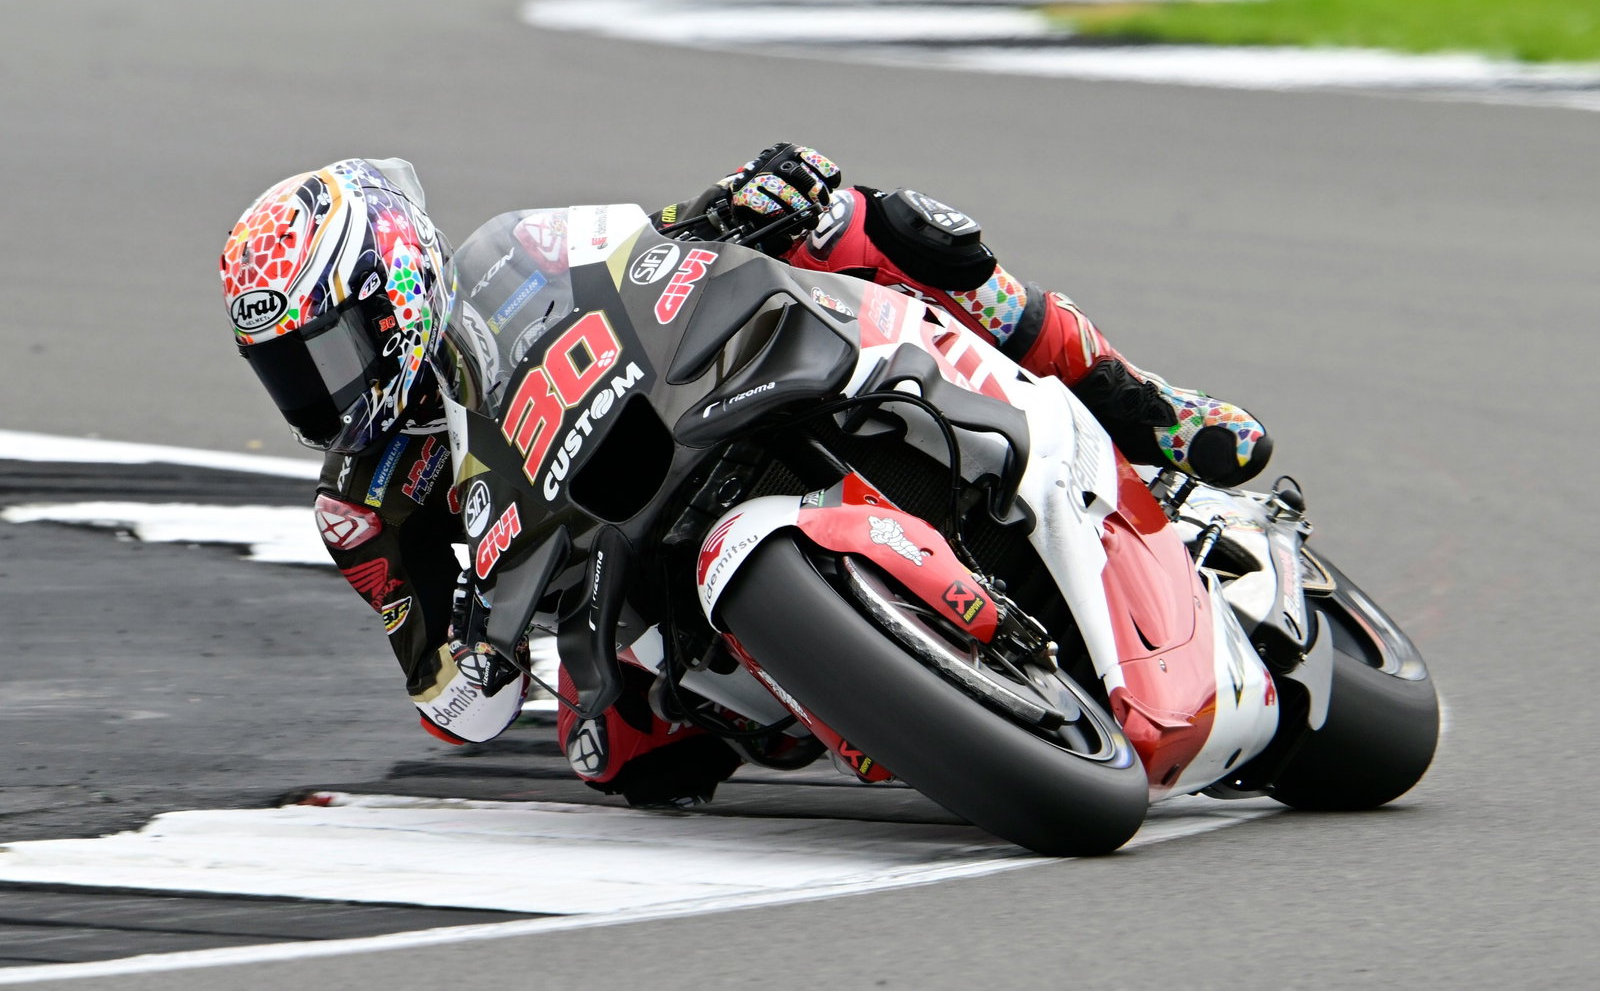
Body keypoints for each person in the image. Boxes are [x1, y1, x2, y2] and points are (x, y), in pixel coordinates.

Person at [219, 146, 1271, 807]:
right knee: (620, 758)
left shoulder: (513, 268)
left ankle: (1150, 407)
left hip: (695, 409)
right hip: (612, 579)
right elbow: (446, 698)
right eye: (292, 371)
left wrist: (738, 203)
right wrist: (468, 659)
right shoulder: (359, 503)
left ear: (397, 281)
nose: (325, 390)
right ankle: (866, 691)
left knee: (879, 223)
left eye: (335, 347)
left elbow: (642, 249)